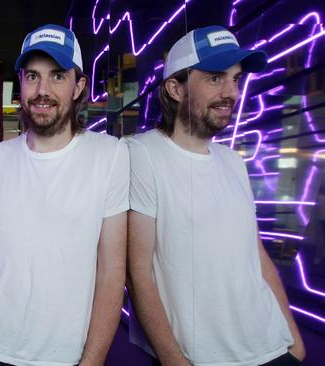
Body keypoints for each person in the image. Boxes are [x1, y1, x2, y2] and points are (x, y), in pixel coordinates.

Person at [0, 24, 129, 366]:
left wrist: (93, 359)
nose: (43, 90)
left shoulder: (110, 156)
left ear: (79, 86)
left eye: (57, 76)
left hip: (60, 356)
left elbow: (112, 268)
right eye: (32, 77)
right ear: (21, 85)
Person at [127, 25, 305, 366]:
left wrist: (293, 338)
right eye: (215, 78)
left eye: (236, 79)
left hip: (272, 346)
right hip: (201, 357)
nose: (232, 93)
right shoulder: (141, 155)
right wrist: (173, 359)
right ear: (176, 88)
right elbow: (137, 272)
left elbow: (257, 257)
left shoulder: (232, 161)